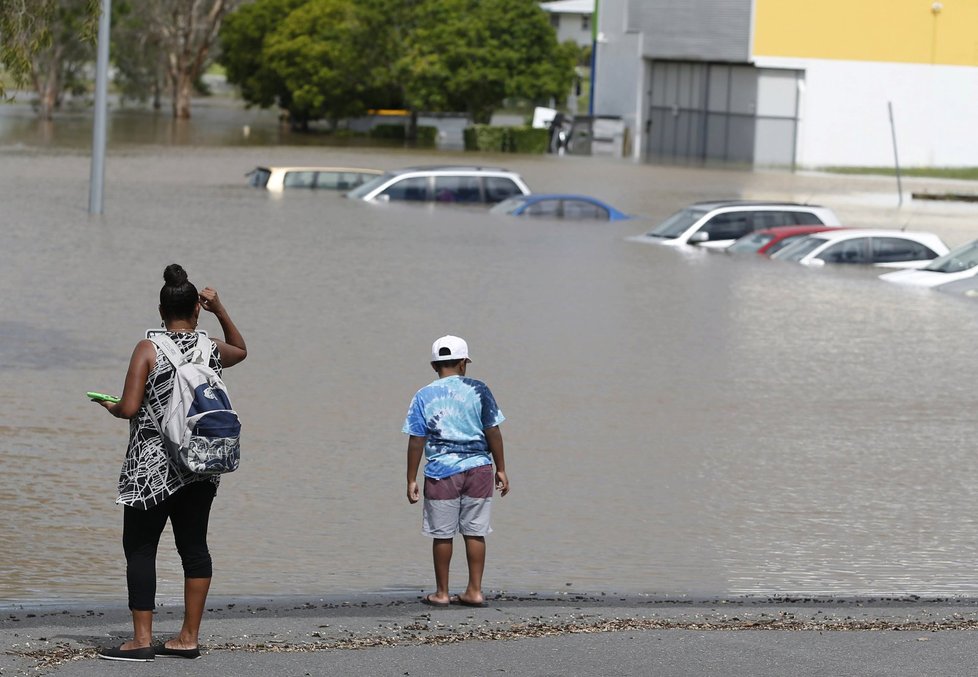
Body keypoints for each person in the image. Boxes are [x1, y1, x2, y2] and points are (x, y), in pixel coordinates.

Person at [92, 264, 247, 661]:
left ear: (160, 312)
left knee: (141, 549)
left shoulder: (148, 349)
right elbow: (241, 350)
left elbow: (128, 408)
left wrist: (108, 404)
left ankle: (141, 641)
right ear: (197, 310)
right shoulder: (209, 347)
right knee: (194, 548)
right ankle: (188, 638)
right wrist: (221, 309)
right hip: (200, 464)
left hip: (153, 469)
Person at [403, 335, 509, 608]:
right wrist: (501, 468)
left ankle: (442, 592)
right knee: (475, 531)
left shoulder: (423, 395)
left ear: (433, 366)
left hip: (441, 471)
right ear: (464, 363)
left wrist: (411, 478)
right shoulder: (480, 390)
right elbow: (493, 430)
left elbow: (416, 439)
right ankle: (474, 590)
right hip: (479, 469)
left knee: (443, 534)